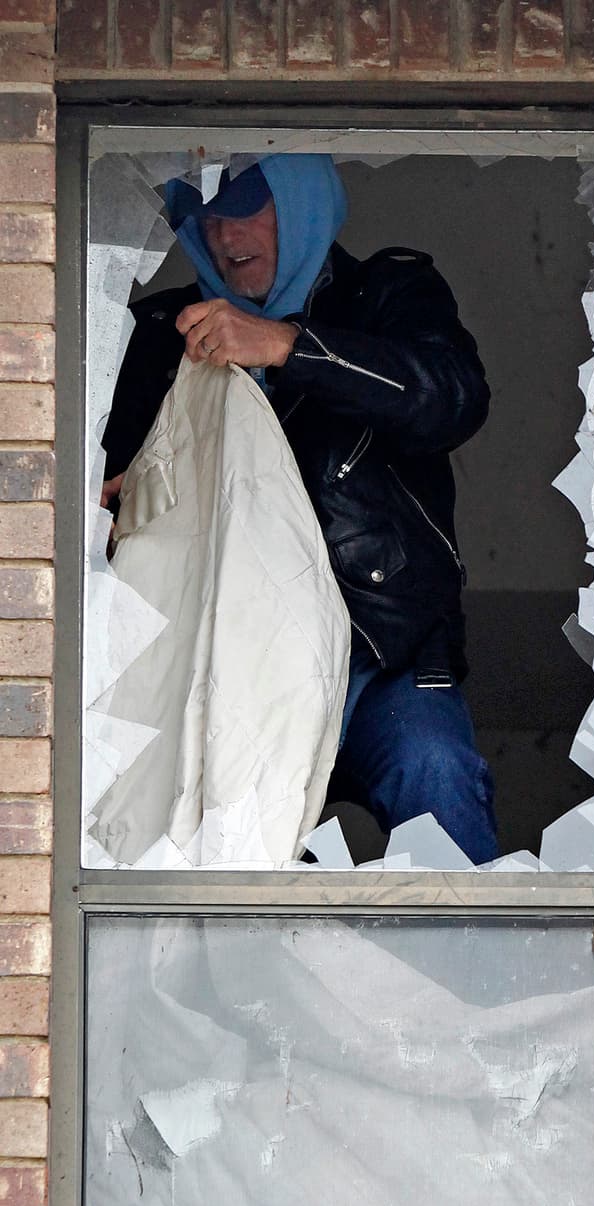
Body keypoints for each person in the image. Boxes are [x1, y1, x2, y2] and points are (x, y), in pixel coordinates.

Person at [101, 153, 500, 864]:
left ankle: (484, 972)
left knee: (433, 771)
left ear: (303, 196)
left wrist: (289, 346)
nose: (225, 235)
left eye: (248, 204)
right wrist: (120, 498)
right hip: (221, 667)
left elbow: (452, 398)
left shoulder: (387, 292)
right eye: (206, 218)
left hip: (379, 652)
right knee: (208, 849)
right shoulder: (163, 332)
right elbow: (102, 489)